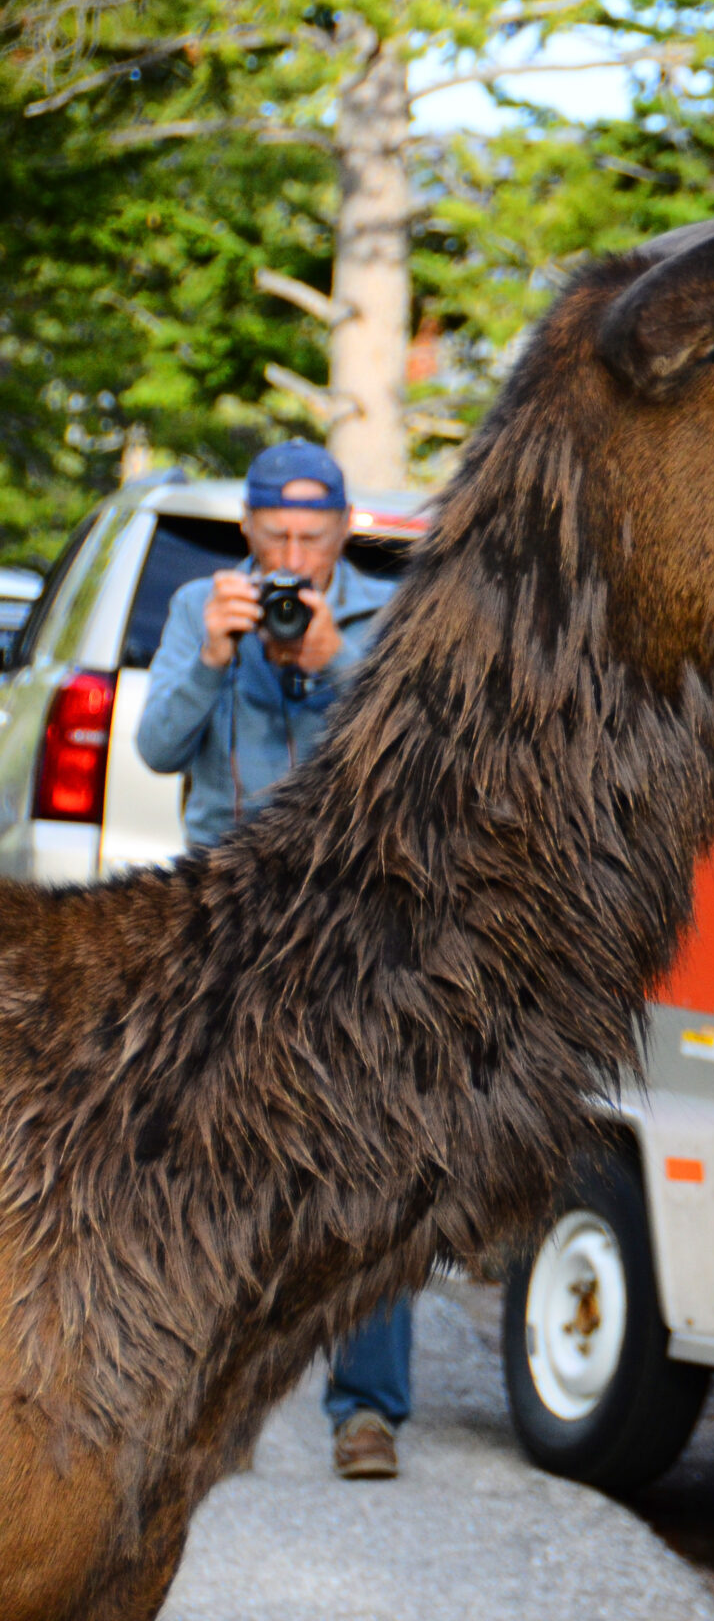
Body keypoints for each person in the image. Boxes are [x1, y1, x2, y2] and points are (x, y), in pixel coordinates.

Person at [134, 437, 410, 1482]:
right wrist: (211, 655)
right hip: (225, 912)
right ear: (248, 533)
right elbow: (158, 747)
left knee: (370, 1162)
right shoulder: (202, 608)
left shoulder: (390, 614)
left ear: (346, 530)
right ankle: (206, 1402)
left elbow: (419, 755)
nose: (294, 557)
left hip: (353, 917)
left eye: (313, 534)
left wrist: (335, 660)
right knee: (207, 1157)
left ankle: (366, 1410)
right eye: (276, 536)